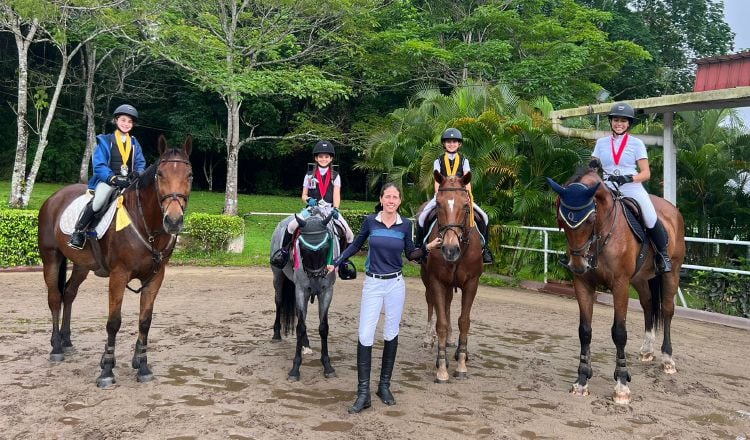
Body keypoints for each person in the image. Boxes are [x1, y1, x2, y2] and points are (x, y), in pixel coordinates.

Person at [328, 183, 442, 414]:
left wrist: (427, 247)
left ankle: (384, 386)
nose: (391, 200)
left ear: (399, 201)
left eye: (395, 197)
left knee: (391, 332)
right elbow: (356, 246)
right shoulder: (371, 222)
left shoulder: (405, 225)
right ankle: (363, 393)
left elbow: (411, 254)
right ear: (381, 199)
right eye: (387, 196)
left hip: (395, 285)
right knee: (365, 334)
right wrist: (336, 262)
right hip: (373, 283)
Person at [592, 102, 672, 273]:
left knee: (650, 216)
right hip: (607, 187)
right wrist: (592, 167)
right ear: (611, 122)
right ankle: (575, 253)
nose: (619, 124)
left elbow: (646, 173)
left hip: (631, 187)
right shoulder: (601, 143)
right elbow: (593, 169)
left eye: (623, 121)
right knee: (585, 212)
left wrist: (628, 177)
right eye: (616, 120)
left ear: (628, 124)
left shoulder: (636, 144)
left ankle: (662, 255)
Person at [68, 104, 146, 250]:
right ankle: (79, 232)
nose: (126, 124)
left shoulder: (135, 143)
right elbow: (99, 164)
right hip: (108, 181)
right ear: (116, 120)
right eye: (123, 120)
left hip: (129, 182)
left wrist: (139, 172)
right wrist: (112, 178)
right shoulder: (105, 141)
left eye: (129, 122)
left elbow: (141, 163)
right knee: (98, 201)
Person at [271, 140, 355, 271]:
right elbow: (303, 195)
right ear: (316, 158)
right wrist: (308, 199)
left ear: (331, 158)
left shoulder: (335, 176)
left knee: (349, 234)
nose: (323, 159)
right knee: (291, 225)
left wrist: (336, 209)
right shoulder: (309, 175)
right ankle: (284, 253)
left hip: (329, 210)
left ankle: (344, 261)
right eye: (321, 156)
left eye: (326, 156)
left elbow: (336, 194)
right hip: (312, 209)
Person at [415, 127, 494, 264]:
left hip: (460, 196)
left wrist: (468, 196)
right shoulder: (438, 161)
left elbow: (467, 180)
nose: (451, 144)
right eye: (448, 142)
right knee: (422, 218)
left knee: (484, 217)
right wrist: (438, 195)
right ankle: (419, 249)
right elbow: (437, 180)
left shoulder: (464, 161)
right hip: (443, 195)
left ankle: (485, 249)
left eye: (454, 142)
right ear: (444, 144)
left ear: (459, 144)